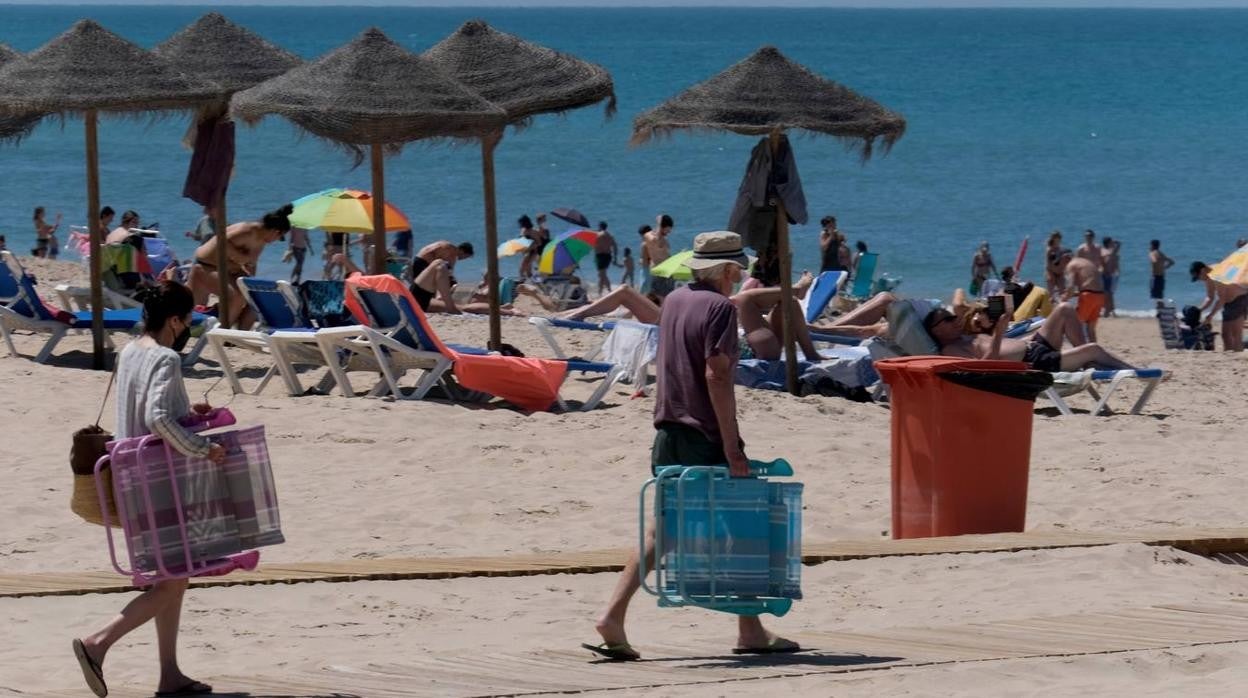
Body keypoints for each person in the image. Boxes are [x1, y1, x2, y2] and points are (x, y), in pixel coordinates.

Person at [585, 231, 798, 662]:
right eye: (738, 268)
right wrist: (732, 446)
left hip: (667, 428)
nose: (740, 275)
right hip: (704, 432)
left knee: (663, 529)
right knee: (742, 527)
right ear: (727, 270)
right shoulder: (720, 308)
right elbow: (717, 376)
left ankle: (619, 616)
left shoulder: (676, 301)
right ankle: (748, 629)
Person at [73, 280, 225, 698]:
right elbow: (158, 419)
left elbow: (150, 411)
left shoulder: (129, 352)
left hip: (129, 475)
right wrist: (202, 448)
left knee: (170, 578)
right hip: (160, 480)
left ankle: (170, 674)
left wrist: (189, 413)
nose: (187, 328)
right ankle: (96, 644)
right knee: (174, 580)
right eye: (187, 320)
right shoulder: (165, 358)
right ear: (174, 320)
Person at [925, 300, 1134, 372]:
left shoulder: (965, 336)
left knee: (1064, 309)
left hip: (1033, 346)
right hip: (1035, 362)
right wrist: (999, 332)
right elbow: (983, 366)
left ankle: (1087, 365)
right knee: (1093, 349)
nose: (955, 321)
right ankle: (1135, 371)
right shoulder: (949, 350)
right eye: (949, 319)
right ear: (936, 330)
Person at [188, 204, 293, 328]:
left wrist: (251, 282)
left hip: (225, 270)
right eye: (280, 237)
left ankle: (240, 332)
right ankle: (223, 331)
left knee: (256, 298)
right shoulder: (247, 230)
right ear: (276, 232)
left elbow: (251, 264)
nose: (277, 240)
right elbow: (221, 241)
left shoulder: (262, 240)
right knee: (237, 296)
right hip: (205, 267)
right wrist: (240, 256)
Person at [1191, 261, 1247, 352]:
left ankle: (1236, 356)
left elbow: (1222, 299)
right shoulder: (1208, 276)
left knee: (1236, 334)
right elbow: (1210, 297)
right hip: (1228, 303)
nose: (1200, 280)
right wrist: (1199, 309)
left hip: (1239, 299)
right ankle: (1229, 356)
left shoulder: (1217, 273)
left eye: (1198, 277)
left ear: (1202, 270)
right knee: (1225, 334)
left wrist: (1210, 316)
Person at [409, 240, 474, 313]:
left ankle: (437, 301)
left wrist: (452, 281)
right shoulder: (448, 247)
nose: (464, 259)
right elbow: (430, 251)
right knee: (425, 287)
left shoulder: (453, 257)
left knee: (433, 285)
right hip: (422, 262)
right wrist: (432, 264)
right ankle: (439, 302)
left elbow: (450, 271)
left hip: (426, 264)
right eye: (465, 256)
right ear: (462, 251)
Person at [1062, 249, 1104, 343]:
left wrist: (1064, 299)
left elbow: (1071, 286)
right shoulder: (1085, 262)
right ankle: (1094, 352)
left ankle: (1082, 351)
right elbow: (1089, 283)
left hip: (1088, 295)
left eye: (1061, 262)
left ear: (1065, 258)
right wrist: (1075, 294)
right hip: (1100, 295)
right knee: (1091, 329)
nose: (1062, 266)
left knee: (1076, 326)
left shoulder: (1071, 265)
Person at [642, 215, 674, 298]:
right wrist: (659, 225)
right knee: (657, 297)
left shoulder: (664, 239)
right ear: (662, 227)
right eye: (668, 229)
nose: (669, 232)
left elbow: (666, 254)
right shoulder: (649, 235)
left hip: (668, 271)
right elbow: (656, 241)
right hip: (658, 271)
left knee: (668, 296)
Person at [593, 221, 617, 295]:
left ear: (600, 226)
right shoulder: (610, 236)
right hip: (608, 256)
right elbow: (615, 247)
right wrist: (615, 258)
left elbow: (593, 245)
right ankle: (602, 291)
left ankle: (608, 291)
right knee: (602, 274)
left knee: (601, 274)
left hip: (600, 256)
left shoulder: (597, 235)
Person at [1100, 235, 1121, 317]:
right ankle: (1109, 311)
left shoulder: (1109, 251)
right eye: (1111, 242)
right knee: (1108, 293)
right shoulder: (1109, 251)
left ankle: (1109, 311)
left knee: (1108, 293)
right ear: (1109, 243)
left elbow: (1119, 244)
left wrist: (1112, 241)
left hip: (1111, 275)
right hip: (1108, 274)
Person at [1044, 230, 1065, 296]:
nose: (1057, 239)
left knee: (1062, 292)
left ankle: (1061, 305)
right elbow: (1048, 264)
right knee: (1051, 294)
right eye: (1055, 238)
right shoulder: (1050, 249)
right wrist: (1051, 273)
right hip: (1051, 272)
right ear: (1053, 239)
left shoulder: (1061, 249)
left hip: (1060, 273)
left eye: (1058, 238)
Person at [635, 224, 653, 291]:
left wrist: (640, 261)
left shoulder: (644, 244)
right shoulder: (656, 242)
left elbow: (644, 261)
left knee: (643, 290)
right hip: (655, 269)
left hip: (646, 270)